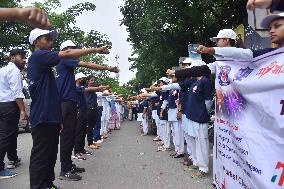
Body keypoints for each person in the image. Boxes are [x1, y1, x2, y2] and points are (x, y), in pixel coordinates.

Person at [27, 28, 110, 189]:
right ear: (35, 42)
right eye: (47, 38)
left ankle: (47, 183)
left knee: (50, 153)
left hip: (51, 114)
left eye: (52, 39)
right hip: (42, 115)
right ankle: (38, 186)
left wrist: (58, 117)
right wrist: (96, 49)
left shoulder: (46, 64)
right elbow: (66, 54)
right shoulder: (37, 56)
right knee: (41, 154)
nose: (51, 41)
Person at [56, 40, 118, 180]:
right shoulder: (65, 59)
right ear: (67, 50)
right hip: (65, 104)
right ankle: (64, 170)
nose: (77, 53)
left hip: (69, 103)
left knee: (71, 135)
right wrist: (107, 68)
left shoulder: (67, 65)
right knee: (67, 138)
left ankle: (69, 165)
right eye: (74, 50)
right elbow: (87, 64)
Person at [0, 49, 28, 179]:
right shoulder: (14, 71)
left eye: (25, 57)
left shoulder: (2, 70)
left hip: (2, 105)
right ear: (12, 58)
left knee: (10, 134)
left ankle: (13, 158)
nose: (24, 59)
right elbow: (17, 93)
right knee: (6, 136)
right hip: (9, 106)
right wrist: (22, 110)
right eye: (21, 57)